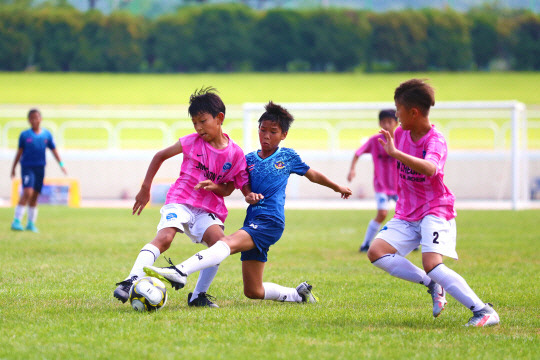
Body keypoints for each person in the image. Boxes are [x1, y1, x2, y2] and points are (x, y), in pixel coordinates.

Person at [144, 101, 352, 305]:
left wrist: (337, 188)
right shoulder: (248, 159)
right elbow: (237, 186)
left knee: (224, 243)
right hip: (252, 221)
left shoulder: (288, 157)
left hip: (270, 221)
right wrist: (246, 194)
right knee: (253, 290)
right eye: (263, 130)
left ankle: (180, 271)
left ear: (284, 135)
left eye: (273, 132)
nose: (266, 136)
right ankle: (298, 295)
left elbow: (312, 174)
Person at [367, 79, 499, 327]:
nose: (396, 115)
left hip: (435, 210)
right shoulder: (399, 133)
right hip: (407, 212)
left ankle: (484, 311)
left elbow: (431, 168)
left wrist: (396, 153)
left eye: (399, 110)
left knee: (431, 263)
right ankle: (432, 284)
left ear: (413, 112)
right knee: (376, 252)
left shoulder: (435, 140)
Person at [113, 87, 250, 308]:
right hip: (181, 200)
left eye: (202, 121)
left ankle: (197, 296)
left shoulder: (235, 153)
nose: (198, 127)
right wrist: (145, 187)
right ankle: (130, 281)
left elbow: (227, 189)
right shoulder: (191, 141)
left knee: (218, 245)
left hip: (208, 208)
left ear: (220, 118)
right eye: (194, 122)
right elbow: (160, 156)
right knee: (165, 238)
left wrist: (214, 186)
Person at [347, 109, 398, 252]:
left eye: (390, 122)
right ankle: (366, 244)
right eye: (384, 122)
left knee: (407, 215)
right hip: (381, 186)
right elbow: (357, 153)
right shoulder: (375, 141)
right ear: (379, 123)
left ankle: (412, 244)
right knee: (382, 214)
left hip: (399, 186)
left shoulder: (401, 140)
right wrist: (352, 169)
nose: (387, 125)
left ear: (396, 123)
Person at [10, 109, 67, 233]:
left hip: (40, 168)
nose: (34, 120)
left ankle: (31, 223)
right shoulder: (25, 135)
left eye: (36, 117)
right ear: (29, 120)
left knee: (35, 195)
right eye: (32, 118)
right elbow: (19, 152)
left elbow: (54, 150)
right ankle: (16, 220)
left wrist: (61, 164)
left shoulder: (46, 135)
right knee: (27, 192)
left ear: (40, 119)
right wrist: (13, 168)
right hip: (27, 167)